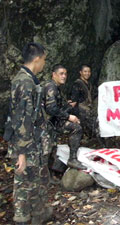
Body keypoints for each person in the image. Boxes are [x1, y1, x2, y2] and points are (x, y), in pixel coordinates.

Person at [7, 42, 52, 224]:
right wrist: (22, 153)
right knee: (24, 182)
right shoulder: (25, 83)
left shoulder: (27, 79)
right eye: (44, 60)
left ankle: (38, 213)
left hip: (32, 142)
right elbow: (22, 120)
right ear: (37, 59)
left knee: (36, 179)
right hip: (26, 144)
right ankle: (22, 218)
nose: (44, 64)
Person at [43, 64, 87, 170]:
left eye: (65, 74)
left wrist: (67, 105)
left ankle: (52, 173)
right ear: (54, 75)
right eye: (61, 74)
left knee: (51, 148)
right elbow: (51, 109)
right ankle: (72, 159)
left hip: (51, 121)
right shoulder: (51, 87)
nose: (64, 76)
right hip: (46, 123)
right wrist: (68, 117)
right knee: (76, 128)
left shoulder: (55, 87)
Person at [69, 65, 98, 138]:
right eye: (85, 71)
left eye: (89, 72)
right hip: (80, 111)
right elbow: (74, 100)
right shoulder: (77, 84)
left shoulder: (89, 84)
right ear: (80, 72)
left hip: (88, 110)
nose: (87, 73)